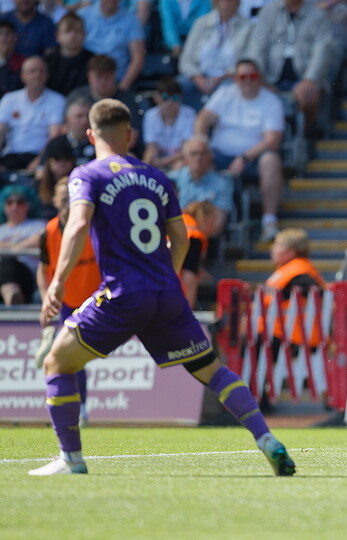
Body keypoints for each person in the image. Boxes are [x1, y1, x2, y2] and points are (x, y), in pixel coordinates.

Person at [30, 98, 295, 476]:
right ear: (130, 135)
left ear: (91, 135)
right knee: (212, 370)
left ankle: (71, 458)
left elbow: (77, 225)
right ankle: (266, 438)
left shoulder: (87, 175)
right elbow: (181, 238)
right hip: (165, 294)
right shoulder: (158, 178)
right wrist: (166, 277)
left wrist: (57, 281)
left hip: (122, 293)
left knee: (58, 361)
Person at [194, 59, 284, 241]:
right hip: (219, 154)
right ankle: (194, 220)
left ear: (259, 78)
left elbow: (272, 141)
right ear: (236, 79)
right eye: (243, 77)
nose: (248, 81)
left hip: (254, 158)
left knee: (271, 160)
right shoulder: (225, 93)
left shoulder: (271, 101)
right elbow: (203, 120)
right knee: (193, 157)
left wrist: (244, 157)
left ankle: (269, 222)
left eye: (252, 76)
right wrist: (201, 143)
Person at [34, 177, 99, 426]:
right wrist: (46, 299)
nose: (67, 203)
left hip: (97, 299)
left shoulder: (91, 226)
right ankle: (79, 409)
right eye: (63, 198)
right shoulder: (48, 233)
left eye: (71, 197)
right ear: (54, 201)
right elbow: (43, 269)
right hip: (69, 303)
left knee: (75, 356)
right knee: (72, 358)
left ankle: (78, 409)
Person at [248, 0, 333, 137]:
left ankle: (303, 137)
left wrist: (309, 80)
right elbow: (257, 47)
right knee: (251, 90)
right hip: (271, 76)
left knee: (310, 94)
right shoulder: (268, 12)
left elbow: (322, 50)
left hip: (303, 75)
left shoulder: (318, 15)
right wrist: (260, 79)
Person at [177, 0, 253, 111]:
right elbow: (185, 60)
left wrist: (222, 77)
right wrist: (198, 78)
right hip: (200, 76)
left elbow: (248, 61)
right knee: (175, 87)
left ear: (237, 2)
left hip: (228, 78)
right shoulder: (200, 23)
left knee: (229, 90)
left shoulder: (248, 27)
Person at [0, 56, 64, 172]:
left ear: (47, 75)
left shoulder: (58, 100)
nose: (38, 75)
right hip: (12, 155)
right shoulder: (9, 99)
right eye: (33, 71)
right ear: (22, 76)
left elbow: (54, 136)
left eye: (42, 71)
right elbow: (0, 132)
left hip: (40, 156)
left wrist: (40, 160)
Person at [66, 55, 142, 150]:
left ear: (115, 75)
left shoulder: (127, 100)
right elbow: (63, 130)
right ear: (89, 76)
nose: (103, 81)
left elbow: (131, 139)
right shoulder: (76, 96)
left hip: (113, 154)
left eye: (107, 77)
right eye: (98, 77)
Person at [171, 136, 232, 237]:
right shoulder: (172, 179)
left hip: (204, 240)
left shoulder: (222, 184)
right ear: (186, 158)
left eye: (202, 153)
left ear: (210, 156)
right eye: (194, 153)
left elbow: (218, 225)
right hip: (175, 237)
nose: (198, 158)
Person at [78, 0, 145, 91]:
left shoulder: (132, 20)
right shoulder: (82, 16)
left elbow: (138, 58)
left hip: (116, 82)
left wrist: (122, 88)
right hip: (84, 83)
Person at [0, 183, 44, 304]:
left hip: (30, 277)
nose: (14, 206)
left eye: (20, 202)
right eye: (10, 203)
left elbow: (39, 241)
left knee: (8, 261)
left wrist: (7, 247)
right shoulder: (1, 229)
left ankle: (13, 298)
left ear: (29, 205)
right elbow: (32, 242)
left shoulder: (39, 225)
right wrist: (21, 245)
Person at [142, 78, 195, 171]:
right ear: (156, 97)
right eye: (165, 97)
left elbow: (186, 150)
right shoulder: (150, 115)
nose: (169, 102)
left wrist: (162, 162)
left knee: (182, 165)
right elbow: (151, 147)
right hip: (159, 159)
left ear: (180, 98)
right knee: (147, 159)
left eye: (174, 98)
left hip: (180, 160)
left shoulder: (189, 114)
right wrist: (151, 162)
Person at [42, 12, 91, 97]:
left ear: (84, 34)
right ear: (57, 36)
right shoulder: (47, 62)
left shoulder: (92, 61)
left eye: (77, 31)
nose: (73, 35)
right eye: (68, 31)